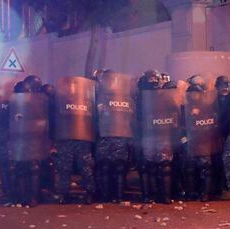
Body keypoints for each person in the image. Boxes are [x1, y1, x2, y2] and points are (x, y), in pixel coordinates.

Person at [137, 70, 180, 203]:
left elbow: (175, 113)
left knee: (163, 166)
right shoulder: (140, 96)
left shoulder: (165, 95)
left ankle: (162, 196)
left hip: (162, 134)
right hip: (148, 135)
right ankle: (151, 196)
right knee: (149, 167)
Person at [53, 76, 97, 204]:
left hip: (82, 139)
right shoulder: (60, 101)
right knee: (64, 168)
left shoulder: (86, 100)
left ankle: (90, 193)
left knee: (85, 167)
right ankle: (64, 194)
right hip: (65, 139)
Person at [95, 71, 136, 202]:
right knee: (117, 167)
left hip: (106, 137)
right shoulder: (129, 101)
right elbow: (133, 119)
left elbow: (95, 118)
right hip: (120, 137)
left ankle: (108, 196)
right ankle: (118, 196)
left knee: (108, 167)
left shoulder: (100, 100)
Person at [183, 83, 221, 201]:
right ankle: (191, 193)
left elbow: (213, 122)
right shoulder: (185, 107)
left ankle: (205, 193)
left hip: (204, 143)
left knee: (206, 169)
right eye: (192, 93)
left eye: (196, 93)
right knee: (190, 169)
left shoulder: (207, 107)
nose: (194, 96)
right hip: (191, 143)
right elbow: (180, 124)